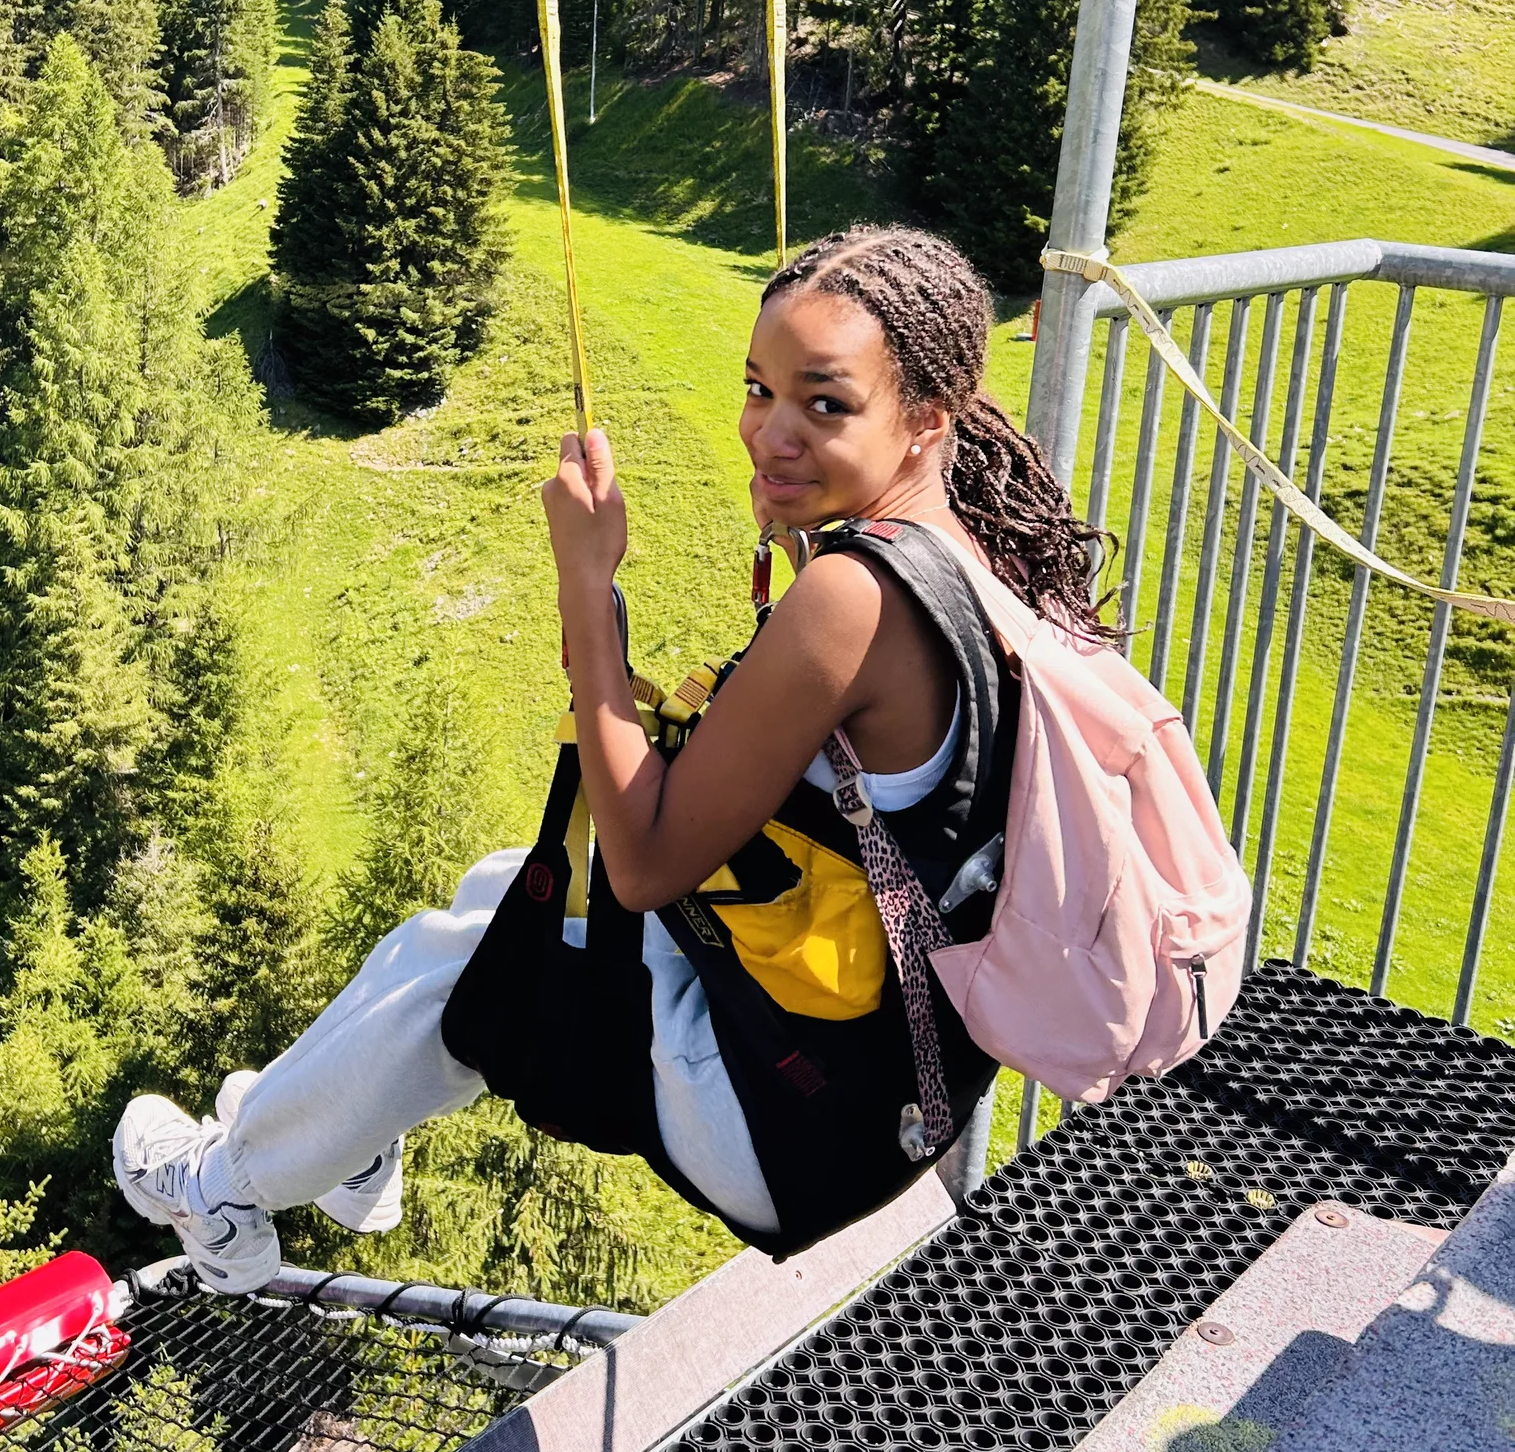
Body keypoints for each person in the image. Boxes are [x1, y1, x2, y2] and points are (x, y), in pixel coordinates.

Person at [112, 225, 1113, 1289]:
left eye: (824, 403)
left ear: (923, 419)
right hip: (887, 1088)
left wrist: (588, 586)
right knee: (507, 888)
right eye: (758, 388)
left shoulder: (850, 601)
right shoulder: (975, 551)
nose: (767, 432)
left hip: (794, 1123)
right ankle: (345, 1130)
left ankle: (223, 1193)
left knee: (490, 946)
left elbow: (642, 863)